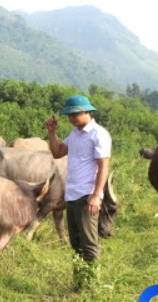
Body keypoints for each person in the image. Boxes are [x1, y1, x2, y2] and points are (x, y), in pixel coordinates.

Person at [45, 94, 112, 291]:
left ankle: (94, 287)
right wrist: (51, 132)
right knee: (76, 244)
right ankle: (80, 284)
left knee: (89, 244)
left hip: (87, 196)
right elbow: (57, 152)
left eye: (75, 114)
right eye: (69, 115)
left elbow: (103, 167)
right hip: (72, 195)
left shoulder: (98, 134)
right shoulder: (75, 134)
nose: (72, 118)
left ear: (87, 112)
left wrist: (96, 196)